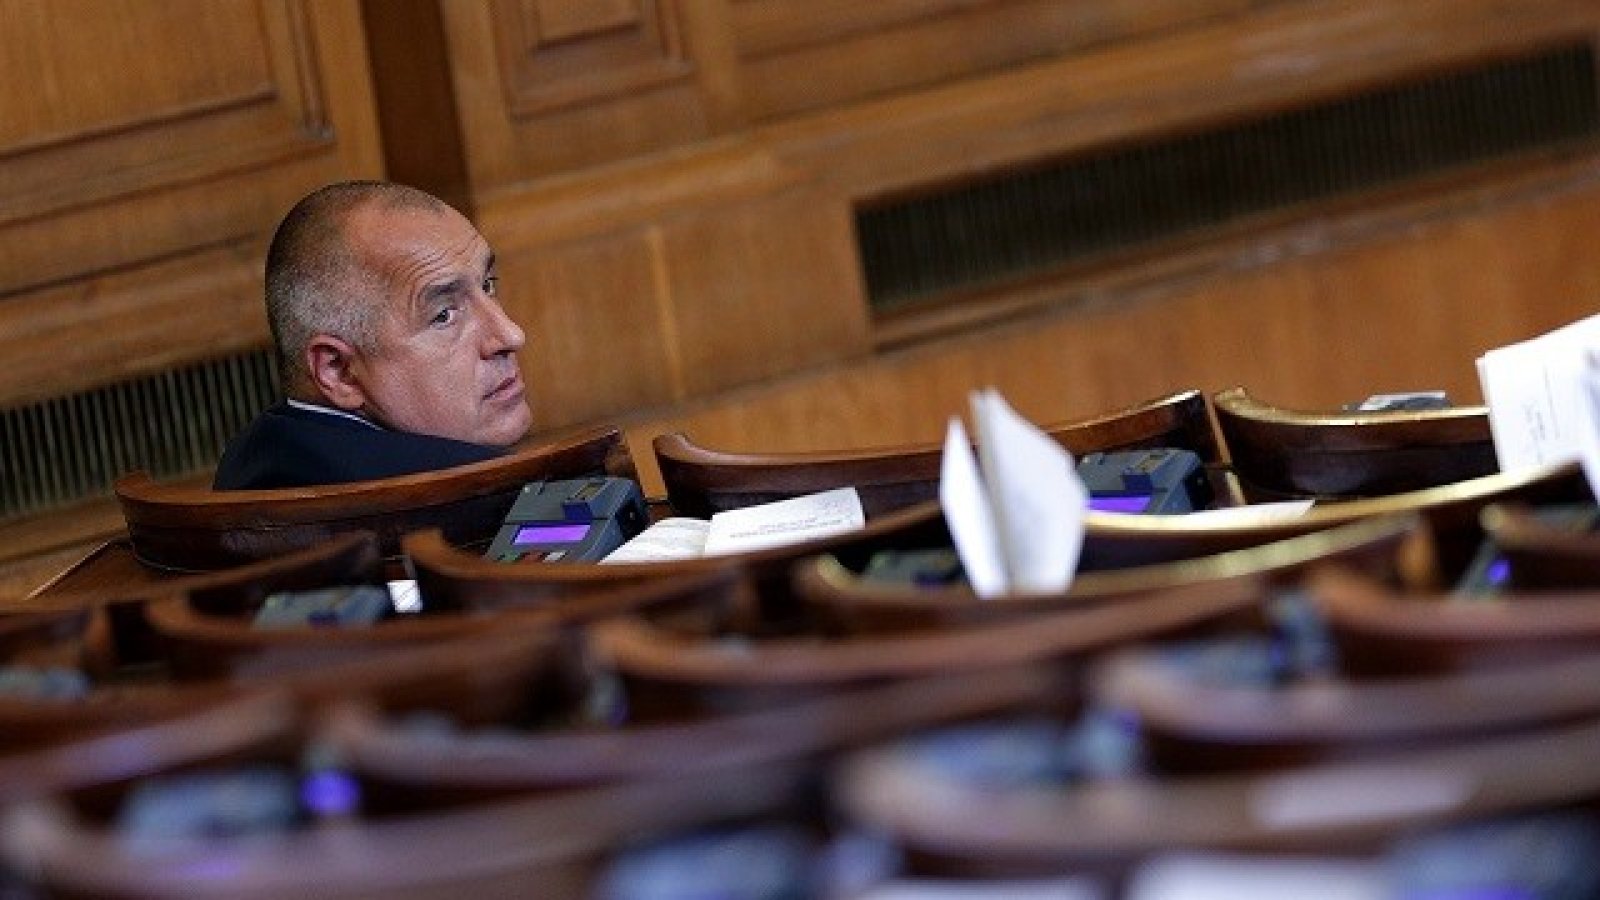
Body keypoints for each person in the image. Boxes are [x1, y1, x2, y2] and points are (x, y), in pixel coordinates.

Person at [213, 181, 533, 489]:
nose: (511, 335)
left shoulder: (255, 461)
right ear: (338, 371)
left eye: (488, 285)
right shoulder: (475, 496)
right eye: (443, 315)